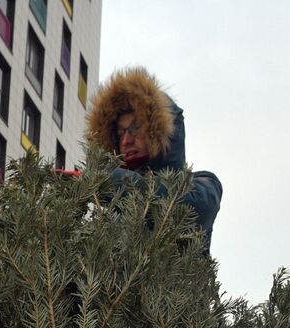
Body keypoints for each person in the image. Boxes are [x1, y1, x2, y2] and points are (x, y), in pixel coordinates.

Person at [85, 67, 223, 252]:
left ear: (159, 131)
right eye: (120, 133)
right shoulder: (108, 211)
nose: (127, 140)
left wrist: (117, 182)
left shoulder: (204, 186)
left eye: (135, 129)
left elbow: (190, 209)